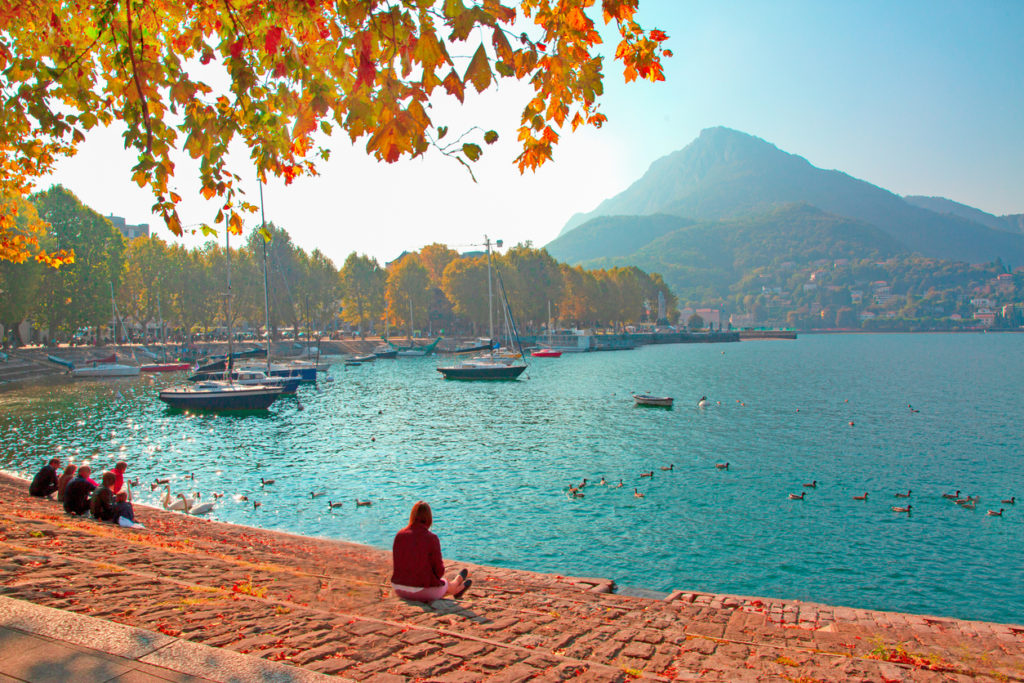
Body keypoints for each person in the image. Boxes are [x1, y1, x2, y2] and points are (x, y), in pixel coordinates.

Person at [391, 501, 471, 602]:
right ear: (429, 518)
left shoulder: (400, 535)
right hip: (421, 591)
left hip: (399, 588)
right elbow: (439, 572)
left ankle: (457, 583)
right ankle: (457, 585)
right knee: (444, 583)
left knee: (437, 586)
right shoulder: (431, 538)